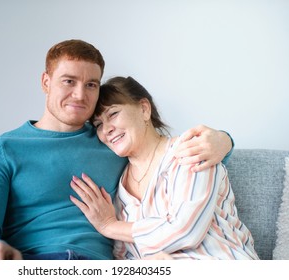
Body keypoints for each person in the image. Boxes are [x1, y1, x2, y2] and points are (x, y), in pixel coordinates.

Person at [0, 39, 234, 260]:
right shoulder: (2, 149)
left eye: (91, 84)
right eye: (68, 81)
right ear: (46, 82)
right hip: (37, 261)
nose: (80, 95)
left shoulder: (113, 143)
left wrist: (224, 140)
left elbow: (170, 158)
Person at [70, 76, 259, 260]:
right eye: (98, 124)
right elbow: (125, 256)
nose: (106, 129)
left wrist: (110, 226)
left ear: (144, 109)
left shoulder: (191, 150)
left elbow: (186, 231)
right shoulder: (118, 188)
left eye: (113, 114)